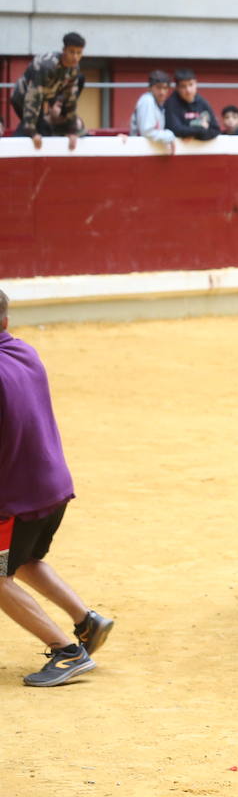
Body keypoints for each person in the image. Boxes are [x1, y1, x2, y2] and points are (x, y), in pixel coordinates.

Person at [0, 289, 114, 687]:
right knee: (25, 561)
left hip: (13, 501)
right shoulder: (24, 352)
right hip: (52, 490)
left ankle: (68, 652)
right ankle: (88, 622)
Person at [10, 31, 85, 150]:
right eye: (72, 52)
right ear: (64, 50)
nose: (75, 57)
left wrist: (72, 130)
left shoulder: (74, 68)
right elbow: (33, 98)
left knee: (43, 128)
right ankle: (9, 150)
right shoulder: (47, 66)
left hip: (43, 97)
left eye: (79, 53)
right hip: (22, 97)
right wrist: (32, 132)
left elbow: (70, 98)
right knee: (37, 129)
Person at [164, 70, 220, 141]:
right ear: (177, 88)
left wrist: (193, 135)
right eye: (183, 86)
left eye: (191, 84)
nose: (188, 90)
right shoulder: (171, 103)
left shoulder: (202, 102)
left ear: (196, 84)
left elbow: (215, 130)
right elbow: (176, 130)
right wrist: (200, 129)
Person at [128, 69, 175, 149]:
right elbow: (147, 132)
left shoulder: (158, 103)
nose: (162, 92)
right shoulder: (147, 100)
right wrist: (169, 135)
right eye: (158, 87)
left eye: (165, 88)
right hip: (138, 149)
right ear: (150, 88)